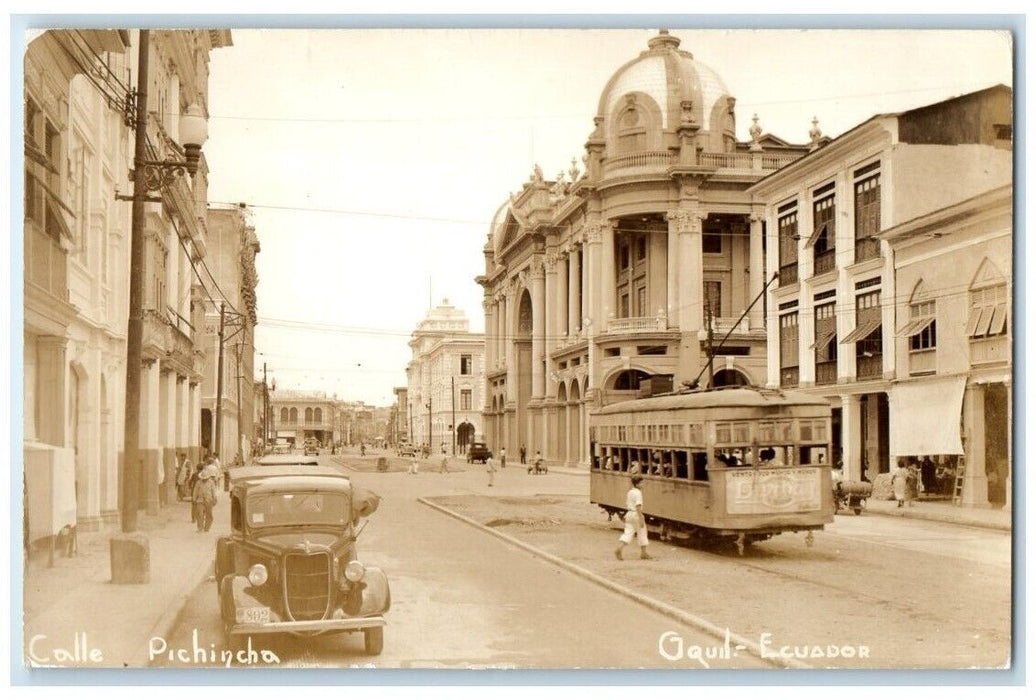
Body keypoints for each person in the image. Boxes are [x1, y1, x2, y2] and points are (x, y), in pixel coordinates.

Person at [615, 475, 651, 561]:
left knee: (628, 533)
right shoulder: (638, 493)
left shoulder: (630, 492)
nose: (643, 485)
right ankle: (643, 553)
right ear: (637, 484)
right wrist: (641, 517)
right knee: (642, 532)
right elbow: (638, 506)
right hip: (636, 514)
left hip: (629, 514)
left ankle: (619, 548)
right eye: (641, 483)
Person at [192, 458, 220, 532]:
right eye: (203, 478)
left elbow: (213, 491)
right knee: (199, 514)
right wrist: (194, 499)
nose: (204, 479)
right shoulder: (198, 482)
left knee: (209, 514)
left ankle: (207, 527)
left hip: (209, 500)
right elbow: (195, 491)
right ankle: (200, 527)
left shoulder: (211, 482)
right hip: (200, 500)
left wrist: (215, 499)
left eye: (205, 478)